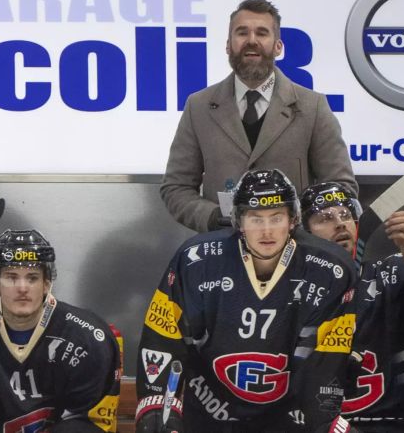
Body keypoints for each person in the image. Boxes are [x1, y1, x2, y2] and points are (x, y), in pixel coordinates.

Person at [136, 169, 359, 433]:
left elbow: (326, 359)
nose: (266, 231)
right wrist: (157, 405)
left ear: (293, 220)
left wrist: (324, 420)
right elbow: (163, 335)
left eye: (276, 217)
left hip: (287, 416)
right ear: (239, 222)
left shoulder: (330, 270)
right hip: (207, 407)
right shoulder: (195, 260)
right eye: (255, 218)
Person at [160, 0, 356, 233]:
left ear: (278, 46)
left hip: (296, 254)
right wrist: (213, 218)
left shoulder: (313, 107)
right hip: (224, 251)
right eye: (242, 33)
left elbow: (341, 188)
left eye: (262, 33)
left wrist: (293, 221)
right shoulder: (199, 106)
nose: (251, 41)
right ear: (228, 45)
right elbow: (176, 187)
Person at [0, 229, 122, 432]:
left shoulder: (89, 340)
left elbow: (89, 421)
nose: (22, 287)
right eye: (11, 277)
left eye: (32, 278)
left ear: (47, 283)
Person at [300, 182, 404, 432]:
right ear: (302, 234)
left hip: (398, 421)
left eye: (346, 215)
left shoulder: (392, 272)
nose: (340, 223)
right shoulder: (291, 291)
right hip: (318, 425)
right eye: (325, 218)